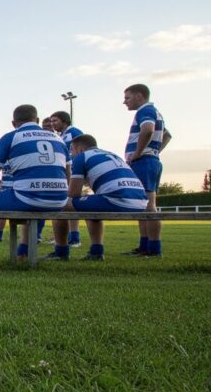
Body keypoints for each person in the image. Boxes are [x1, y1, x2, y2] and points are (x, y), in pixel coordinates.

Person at [0, 104, 69, 264]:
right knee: (29, 204)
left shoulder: (11, 137)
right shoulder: (58, 139)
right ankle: (24, 253)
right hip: (59, 200)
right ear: (36, 120)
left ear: (14, 123)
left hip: (27, 197)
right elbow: (67, 173)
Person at [49, 134, 147, 260]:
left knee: (61, 204)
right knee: (90, 205)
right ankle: (96, 252)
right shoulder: (111, 154)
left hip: (117, 200)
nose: (71, 154)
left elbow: (73, 194)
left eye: (72, 150)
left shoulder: (81, 157)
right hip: (141, 202)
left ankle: (61, 252)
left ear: (79, 149)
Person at [122, 84, 171, 257]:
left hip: (144, 162)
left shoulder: (145, 110)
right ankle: (144, 246)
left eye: (127, 97)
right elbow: (167, 135)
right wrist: (154, 151)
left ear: (139, 96)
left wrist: (138, 153)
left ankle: (154, 248)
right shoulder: (155, 112)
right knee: (143, 205)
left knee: (149, 205)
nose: (124, 102)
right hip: (149, 160)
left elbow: (148, 130)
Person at [49, 111, 85, 247]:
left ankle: (75, 238)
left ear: (65, 121)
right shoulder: (60, 135)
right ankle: (61, 237)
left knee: (72, 204)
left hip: (75, 173)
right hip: (64, 174)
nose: (52, 124)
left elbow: (83, 150)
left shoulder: (73, 132)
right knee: (62, 205)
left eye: (55, 121)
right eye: (51, 121)